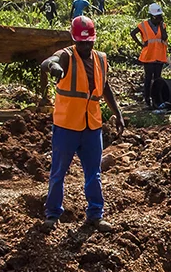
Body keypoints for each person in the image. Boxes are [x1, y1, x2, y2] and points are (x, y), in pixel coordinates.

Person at [39, 16, 125, 231]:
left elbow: (105, 87)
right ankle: (52, 215)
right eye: (81, 42)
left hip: (91, 126)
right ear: (74, 39)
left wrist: (118, 113)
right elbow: (47, 62)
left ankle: (95, 215)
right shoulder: (67, 56)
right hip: (67, 125)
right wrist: (54, 67)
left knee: (93, 173)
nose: (85, 46)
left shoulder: (101, 59)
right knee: (58, 173)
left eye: (89, 42)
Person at [130, 3, 168, 106]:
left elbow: (164, 38)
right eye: (158, 17)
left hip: (159, 56)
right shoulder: (144, 25)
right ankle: (147, 99)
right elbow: (133, 33)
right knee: (148, 78)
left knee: (158, 79)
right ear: (152, 16)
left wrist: (161, 26)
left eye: (160, 16)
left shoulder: (162, 25)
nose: (160, 18)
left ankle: (156, 99)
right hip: (148, 56)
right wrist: (141, 44)